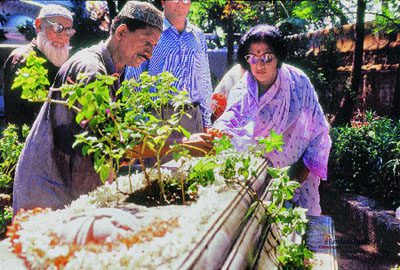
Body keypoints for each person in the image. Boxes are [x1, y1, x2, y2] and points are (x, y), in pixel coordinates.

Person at [12, 1, 164, 214]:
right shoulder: (91, 69)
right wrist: (174, 147)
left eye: (154, 47)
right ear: (121, 32)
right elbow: (104, 145)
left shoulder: (112, 70)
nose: (150, 54)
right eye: (147, 43)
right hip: (48, 194)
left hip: (64, 187)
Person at [212, 24, 332, 216]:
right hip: (255, 177)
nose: (259, 66)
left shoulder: (298, 83)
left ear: (278, 58)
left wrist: (300, 172)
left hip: (296, 176)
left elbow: (318, 129)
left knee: (297, 230)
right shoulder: (243, 87)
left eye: (267, 58)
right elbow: (231, 119)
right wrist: (215, 135)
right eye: (253, 58)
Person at [124, 0, 212, 134]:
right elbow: (133, 79)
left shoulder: (198, 35)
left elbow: (204, 79)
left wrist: (207, 121)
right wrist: (138, 125)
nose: (181, 3)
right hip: (158, 118)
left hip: (193, 118)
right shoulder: (149, 34)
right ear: (163, 1)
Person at [2, 4, 75, 126]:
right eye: (58, 28)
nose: (63, 37)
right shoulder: (22, 60)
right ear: (38, 25)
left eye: (68, 30)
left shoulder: (65, 60)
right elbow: (17, 118)